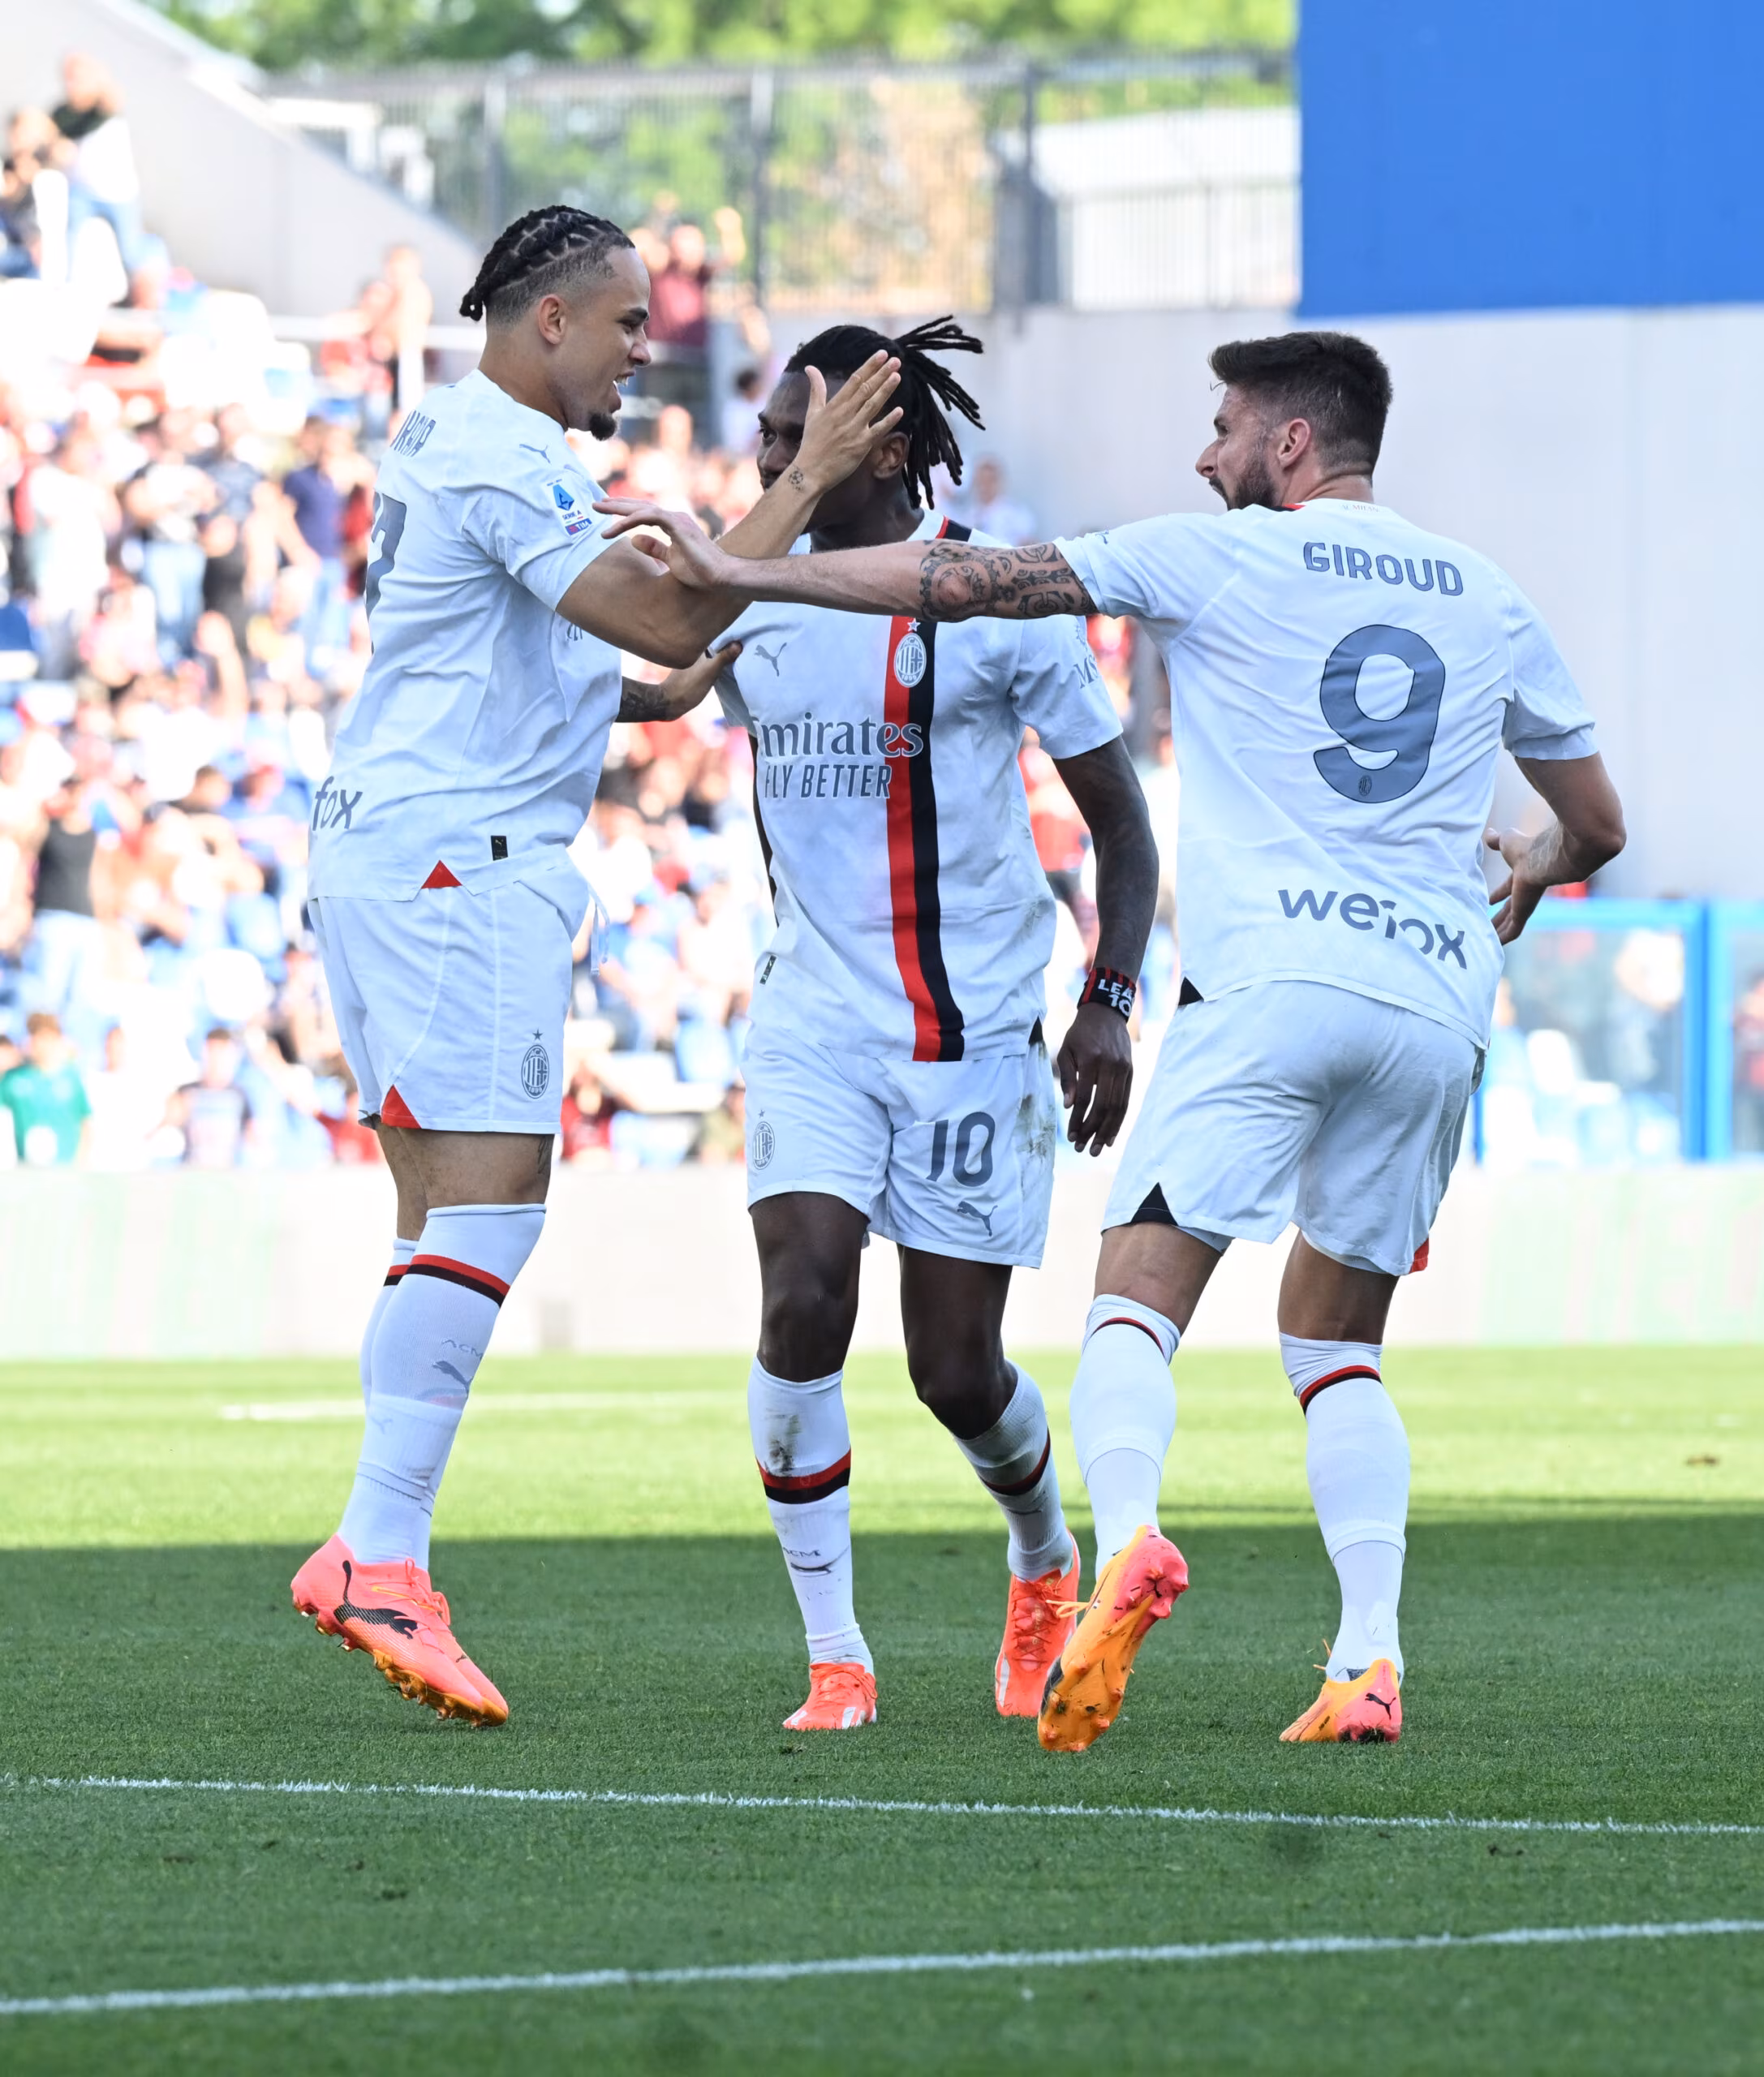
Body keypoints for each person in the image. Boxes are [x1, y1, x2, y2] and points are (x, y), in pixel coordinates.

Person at [597, 327, 1628, 1753]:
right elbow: (1595, 825)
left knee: (1119, 1314)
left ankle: (1121, 1539)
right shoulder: (1484, 590)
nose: (1202, 455)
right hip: (1431, 998)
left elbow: (972, 585)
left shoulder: (1217, 556)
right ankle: (1363, 1662)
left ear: (1287, 443)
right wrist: (1528, 865)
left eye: (1223, 427)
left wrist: (743, 566)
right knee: (1334, 1346)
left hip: (1247, 985)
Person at [286, 202, 904, 1730]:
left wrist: (645, 694)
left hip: (398, 847)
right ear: (548, 319)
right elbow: (667, 605)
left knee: (439, 1222)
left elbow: (504, 651)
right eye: (627, 322)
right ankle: (377, 1554)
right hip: (456, 868)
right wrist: (805, 482)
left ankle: (376, 1547)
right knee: (491, 1208)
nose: (645, 347)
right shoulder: (500, 453)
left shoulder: (460, 441)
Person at [690, 319, 1156, 1735]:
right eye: (766, 436)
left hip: (969, 1037)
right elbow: (642, 675)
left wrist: (1108, 1000)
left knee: (954, 1372)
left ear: (881, 445)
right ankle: (835, 1658)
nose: (766, 460)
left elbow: (1122, 830)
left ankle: (1041, 1557)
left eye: (794, 437)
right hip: (810, 1026)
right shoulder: (747, 589)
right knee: (800, 1301)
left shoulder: (992, 601)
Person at [0, 1011, 91, 1165]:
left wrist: (80, 1162)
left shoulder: (71, 1079)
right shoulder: (14, 1078)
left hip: (65, 1169)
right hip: (25, 1170)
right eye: (36, 1036)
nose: (41, 1044)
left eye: (46, 1038)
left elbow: (86, 1122)